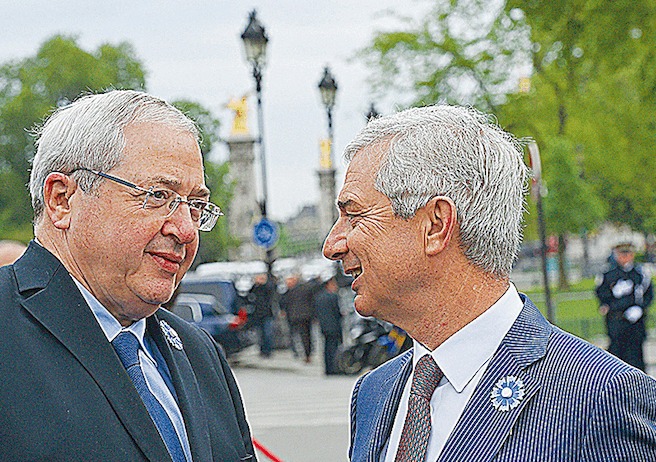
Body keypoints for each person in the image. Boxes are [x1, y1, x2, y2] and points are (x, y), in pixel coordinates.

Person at [322, 105, 656, 461]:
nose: (333, 245)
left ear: (436, 225)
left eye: (354, 215)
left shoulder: (600, 397)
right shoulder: (375, 393)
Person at [0, 90, 257, 461]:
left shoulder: (199, 351)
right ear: (62, 199)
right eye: (157, 195)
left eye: (196, 205)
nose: (186, 230)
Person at [596, 242, 653, 371]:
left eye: (628, 253)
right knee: (617, 355)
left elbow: (648, 294)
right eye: (622, 254)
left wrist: (640, 308)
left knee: (636, 355)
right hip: (617, 320)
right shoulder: (608, 274)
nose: (625, 257)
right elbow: (601, 294)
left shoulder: (640, 273)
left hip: (635, 321)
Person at [279, 274, 318, 363]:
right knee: (304, 336)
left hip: (299, 316)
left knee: (302, 336)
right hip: (301, 316)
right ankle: (303, 353)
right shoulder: (295, 290)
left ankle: (303, 353)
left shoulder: (295, 291)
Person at [314, 277, 343, 375]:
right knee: (333, 348)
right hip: (333, 326)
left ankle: (327, 368)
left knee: (326, 348)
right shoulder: (332, 297)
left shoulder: (319, 297)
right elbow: (337, 312)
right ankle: (333, 368)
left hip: (324, 326)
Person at [247, 272, 276, 358]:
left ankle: (268, 351)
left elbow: (271, 293)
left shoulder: (267, 288)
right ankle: (262, 350)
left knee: (267, 333)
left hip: (266, 314)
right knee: (260, 334)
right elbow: (249, 296)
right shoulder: (255, 288)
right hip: (257, 314)